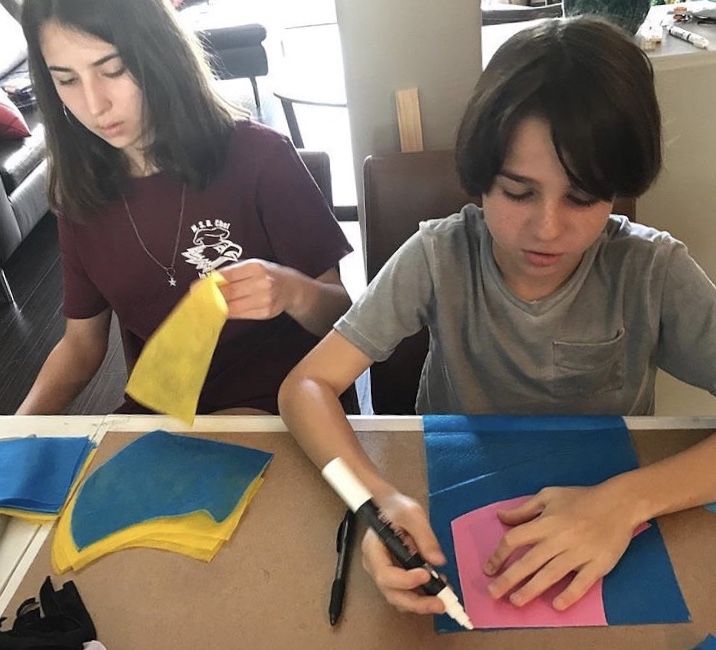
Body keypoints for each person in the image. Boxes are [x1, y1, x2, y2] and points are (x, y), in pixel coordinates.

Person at [279, 16, 716, 617]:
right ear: (481, 180)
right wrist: (374, 501)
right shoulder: (438, 255)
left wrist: (627, 501)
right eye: (518, 192)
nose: (547, 228)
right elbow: (305, 386)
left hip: (611, 513)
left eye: (583, 198)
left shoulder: (652, 271)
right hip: (454, 495)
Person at [16, 0, 353, 416]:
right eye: (66, 80)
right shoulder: (80, 193)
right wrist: (15, 432)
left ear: (159, 55)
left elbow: (340, 313)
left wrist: (291, 290)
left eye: (113, 69)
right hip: (168, 418)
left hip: (284, 408)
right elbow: (82, 345)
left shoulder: (259, 157)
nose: (94, 103)